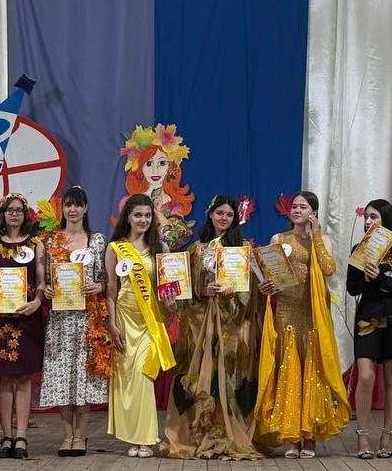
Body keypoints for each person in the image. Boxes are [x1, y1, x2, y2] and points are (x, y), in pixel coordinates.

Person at [160, 195, 262, 460]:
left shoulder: (242, 249)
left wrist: (234, 290)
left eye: (229, 215)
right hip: (201, 323)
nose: (224, 218)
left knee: (228, 377)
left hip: (232, 325)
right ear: (210, 214)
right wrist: (203, 290)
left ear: (234, 219)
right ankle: (196, 434)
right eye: (220, 213)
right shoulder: (197, 249)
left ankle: (226, 433)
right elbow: (187, 290)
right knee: (200, 376)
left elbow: (252, 292)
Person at [254, 190, 350, 458]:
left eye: (303, 207)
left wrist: (315, 234)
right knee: (288, 371)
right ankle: (291, 438)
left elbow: (328, 268)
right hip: (286, 311)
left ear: (313, 213)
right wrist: (265, 285)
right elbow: (269, 275)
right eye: (294, 206)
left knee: (312, 373)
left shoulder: (323, 239)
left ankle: (310, 437)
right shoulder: (278, 239)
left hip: (313, 313)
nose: (297, 210)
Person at [40, 186, 110, 457]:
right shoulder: (51, 241)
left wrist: (98, 286)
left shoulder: (98, 240)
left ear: (85, 208)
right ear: (63, 208)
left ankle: (80, 436)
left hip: (88, 321)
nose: (73, 209)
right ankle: (66, 435)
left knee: (83, 379)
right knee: (63, 379)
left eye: (78, 205)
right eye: (68, 204)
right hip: (60, 322)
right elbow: (44, 280)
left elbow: (106, 278)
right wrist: (47, 290)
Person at [106, 193, 176, 458]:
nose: (143, 220)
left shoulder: (161, 248)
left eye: (147, 215)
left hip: (150, 320)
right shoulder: (115, 248)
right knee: (126, 379)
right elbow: (111, 290)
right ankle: (132, 438)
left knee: (144, 377)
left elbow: (168, 289)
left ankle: (146, 438)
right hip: (124, 318)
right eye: (138, 215)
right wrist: (112, 324)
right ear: (128, 217)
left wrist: (171, 305)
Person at [345, 199, 392, 459]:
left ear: (386, 218)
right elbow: (352, 288)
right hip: (368, 316)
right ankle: (363, 435)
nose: (368, 222)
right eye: (366, 217)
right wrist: (365, 278)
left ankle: (387, 435)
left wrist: (381, 278)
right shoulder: (359, 249)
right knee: (365, 376)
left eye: (373, 216)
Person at [0, 194, 45, 460]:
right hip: (1, 320)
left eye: (19, 210)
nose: (14, 214)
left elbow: (41, 281)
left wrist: (37, 301)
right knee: (5, 377)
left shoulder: (36, 244)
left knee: (23, 377)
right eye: (10, 210)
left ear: (25, 214)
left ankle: (21, 436)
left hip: (28, 317)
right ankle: (6, 436)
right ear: (3, 213)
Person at [119, 124, 194, 249]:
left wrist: (157, 212)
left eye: (162, 163)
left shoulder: (176, 203)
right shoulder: (128, 202)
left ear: (171, 167)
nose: (155, 170)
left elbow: (174, 240)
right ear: (139, 167)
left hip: (167, 259)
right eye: (149, 164)